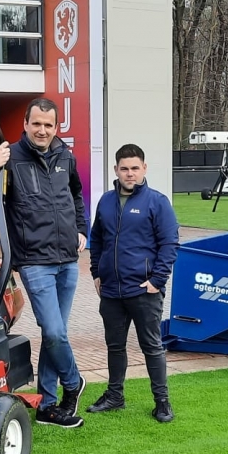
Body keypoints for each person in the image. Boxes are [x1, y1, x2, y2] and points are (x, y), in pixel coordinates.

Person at [0, 98, 89, 428]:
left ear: (56, 127)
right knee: (52, 330)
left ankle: (49, 406)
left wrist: (81, 229)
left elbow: (76, 194)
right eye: (36, 123)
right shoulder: (10, 158)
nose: (42, 130)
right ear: (25, 124)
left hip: (67, 259)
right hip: (35, 261)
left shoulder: (65, 155)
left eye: (48, 125)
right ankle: (74, 381)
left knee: (57, 335)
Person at [87, 144, 180, 422]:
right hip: (112, 290)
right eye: (124, 168)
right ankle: (115, 396)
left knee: (151, 346)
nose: (130, 174)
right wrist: (96, 272)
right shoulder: (105, 201)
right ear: (116, 170)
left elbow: (170, 243)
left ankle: (162, 402)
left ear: (144, 169)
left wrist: (157, 280)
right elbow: (98, 240)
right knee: (114, 346)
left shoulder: (157, 201)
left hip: (143, 290)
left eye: (135, 168)